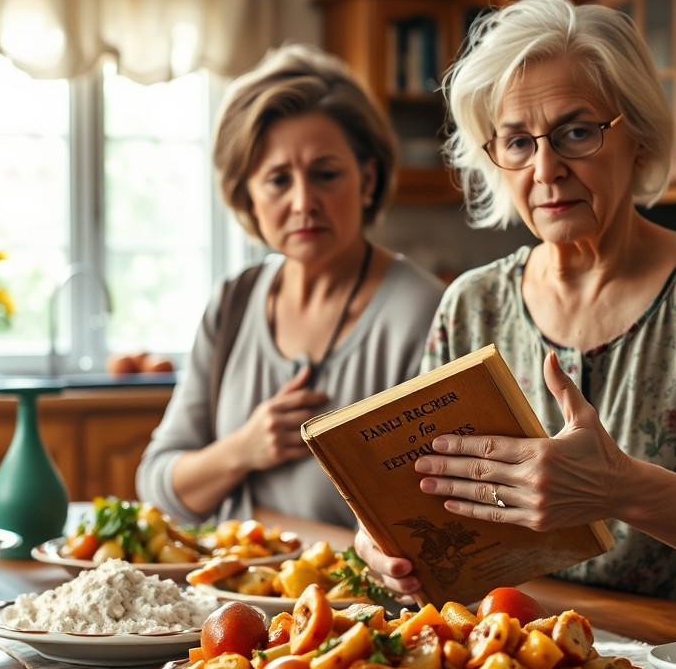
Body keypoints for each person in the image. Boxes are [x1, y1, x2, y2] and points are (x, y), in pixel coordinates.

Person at [355, 0, 676, 624]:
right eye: (517, 142)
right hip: (517, 654)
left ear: (637, 138)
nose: (546, 168)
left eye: (577, 132)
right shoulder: (470, 305)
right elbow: (418, 495)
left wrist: (621, 488)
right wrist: (386, 540)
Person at [136, 44, 445, 530]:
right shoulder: (233, 302)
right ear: (248, 197)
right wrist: (243, 448)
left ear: (367, 179)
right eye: (278, 180)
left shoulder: (424, 313)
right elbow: (159, 485)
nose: (304, 202)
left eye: (325, 175)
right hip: (226, 600)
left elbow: (436, 515)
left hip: (353, 604)